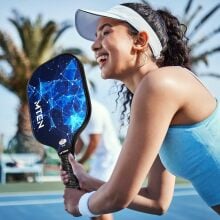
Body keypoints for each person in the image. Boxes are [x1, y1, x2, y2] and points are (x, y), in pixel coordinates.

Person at [61, 2, 220, 217]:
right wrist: (88, 181)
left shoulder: (159, 84)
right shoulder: (155, 96)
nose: (94, 45)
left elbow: (118, 195)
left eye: (105, 32)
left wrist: (79, 204)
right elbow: (156, 201)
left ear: (140, 40)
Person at [75, 95, 121, 220]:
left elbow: (94, 142)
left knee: (101, 199)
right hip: (99, 160)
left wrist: (79, 162)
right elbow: (81, 141)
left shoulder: (95, 110)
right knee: (91, 200)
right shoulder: (76, 111)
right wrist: (71, 159)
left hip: (110, 158)